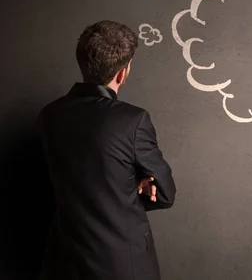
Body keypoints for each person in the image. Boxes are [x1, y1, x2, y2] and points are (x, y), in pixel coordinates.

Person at [36, 20, 176, 280]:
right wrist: (134, 185)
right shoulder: (133, 120)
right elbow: (166, 195)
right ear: (122, 73)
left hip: (63, 261)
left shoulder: (49, 115)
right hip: (122, 264)